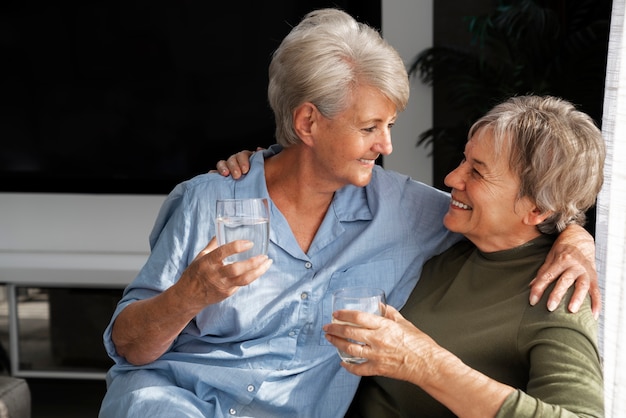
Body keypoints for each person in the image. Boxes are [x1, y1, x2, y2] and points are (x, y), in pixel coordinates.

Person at [100, 8, 598, 418]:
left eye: (390, 124)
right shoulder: (207, 200)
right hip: (171, 403)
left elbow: (507, 215)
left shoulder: (410, 211)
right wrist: (190, 295)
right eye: (369, 127)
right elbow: (130, 347)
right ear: (308, 121)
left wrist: (575, 235)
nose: (386, 144)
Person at [323, 95, 605, 417]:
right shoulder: (445, 233)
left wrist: (425, 363)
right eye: (464, 160)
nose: (452, 179)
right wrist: (264, 170)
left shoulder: (556, 295)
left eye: (478, 173)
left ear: (537, 209)